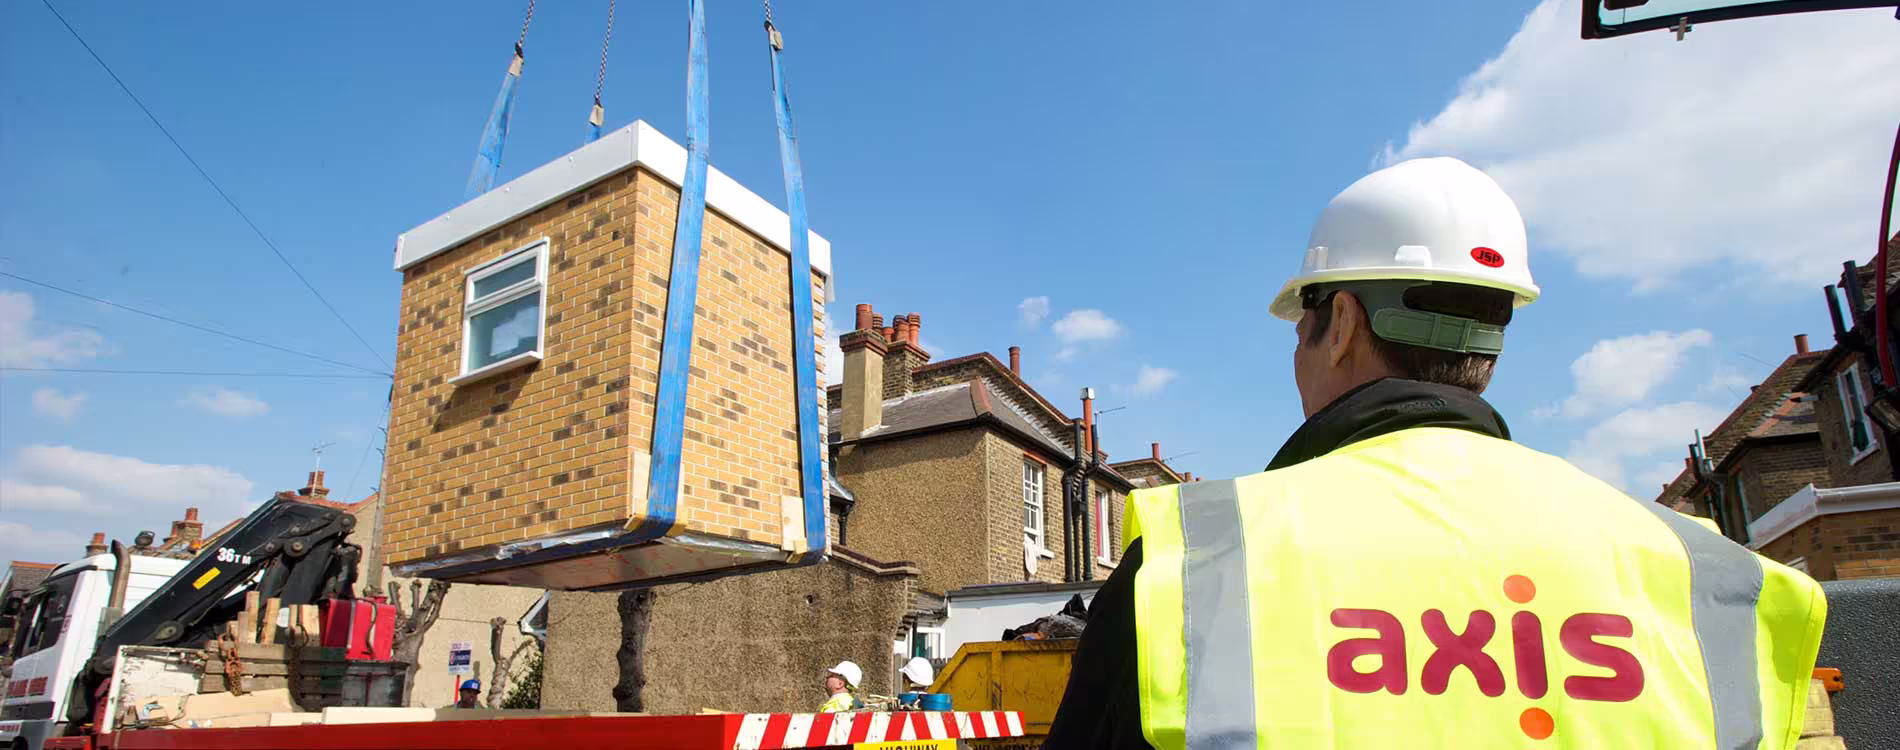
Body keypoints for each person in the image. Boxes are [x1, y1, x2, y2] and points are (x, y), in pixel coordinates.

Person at [1041, 157, 1828, 749]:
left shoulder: (1200, 561)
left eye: (1301, 326)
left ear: (1342, 322)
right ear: (1492, 339)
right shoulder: (1710, 575)